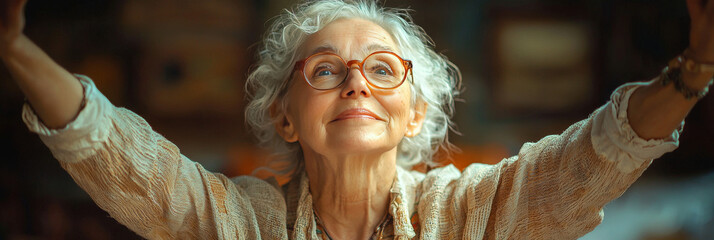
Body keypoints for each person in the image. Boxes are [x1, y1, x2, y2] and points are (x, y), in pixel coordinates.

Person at [1, 0, 712, 239]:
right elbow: (119, 153)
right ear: (286, 117)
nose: (355, 84)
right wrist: (14, 48)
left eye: (381, 69)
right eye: (324, 69)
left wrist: (694, 73)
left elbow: (590, 160)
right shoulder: (240, 222)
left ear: (414, 115)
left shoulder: (470, 215)